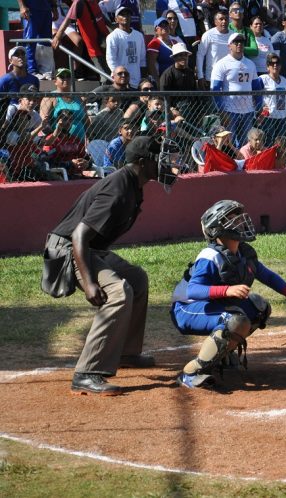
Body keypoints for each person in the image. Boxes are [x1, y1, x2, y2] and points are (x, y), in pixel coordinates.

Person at [42, 135, 181, 395]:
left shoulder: (134, 185)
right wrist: (91, 283)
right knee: (118, 292)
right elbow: (79, 236)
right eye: (158, 158)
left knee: (137, 279)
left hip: (90, 248)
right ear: (142, 162)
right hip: (69, 248)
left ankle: (127, 353)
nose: (165, 164)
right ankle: (87, 373)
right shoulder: (118, 187)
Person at [170, 199, 286, 388]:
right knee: (235, 320)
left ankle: (221, 354)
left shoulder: (242, 253)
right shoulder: (210, 256)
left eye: (239, 218)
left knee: (259, 307)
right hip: (186, 309)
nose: (239, 222)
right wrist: (227, 290)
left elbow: (268, 276)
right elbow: (193, 290)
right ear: (217, 227)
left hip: (206, 307)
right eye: (232, 219)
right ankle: (192, 372)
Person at [211, 32, 258, 148]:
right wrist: (222, 111)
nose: (239, 44)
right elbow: (215, 89)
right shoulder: (221, 64)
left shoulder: (250, 64)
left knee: (246, 144)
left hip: (248, 110)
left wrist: (258, 106)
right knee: (229, 143)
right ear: (229, 45)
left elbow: (256, 86)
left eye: (241, 42)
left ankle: (243, 165)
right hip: (230, 110)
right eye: (236, 42)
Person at [51, 0, 111, 81]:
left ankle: (75, 71)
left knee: (110, 76)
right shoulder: (78, 3)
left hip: (105, 46)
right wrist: (58, 36)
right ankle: (70, 72)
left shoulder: (93, 2)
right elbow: (68, 19)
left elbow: (103, 19)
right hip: (94, 50)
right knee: (106, 79)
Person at [39, 68, 90, 143]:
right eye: (62, 77)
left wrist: (88, 138)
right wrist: (50, 140)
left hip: (80, 144)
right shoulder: (50, 97)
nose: (66, 79)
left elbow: (86, 121)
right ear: (55, 81)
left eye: (68, 76)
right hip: (59, 144)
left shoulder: (80, 97)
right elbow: (43, 123)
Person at [251, 53, 286, 147]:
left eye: (277, 63)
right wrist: (259, 109)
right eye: (272, 63)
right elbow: (253, 95)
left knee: (280, 145)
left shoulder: (284, 80)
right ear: (268, 67)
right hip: (268, 118)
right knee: (267, 144)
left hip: (281, 117)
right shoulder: (263, 79)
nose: (275, 65)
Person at [105, 7, 147, 84]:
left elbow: (142, 59)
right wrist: (119, 77)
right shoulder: (113, 36)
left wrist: (143, 77)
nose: (125, 17)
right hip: (121, 82)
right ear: (116, 19)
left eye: (128, 14)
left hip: (137, 81)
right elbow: (111, 60)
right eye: (122, 15)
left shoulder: (139, 35)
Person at [17, 0, 54, 79]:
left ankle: (46, 71)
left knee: (46, 41)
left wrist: (54, 7)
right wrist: (22, 6)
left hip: (46, 9)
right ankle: (31, 70)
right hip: (31, 8)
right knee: (30, 40)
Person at [197, 11, 232, 90]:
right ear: (215, 22)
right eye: (221, 19)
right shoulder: (208, 35)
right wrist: (200, 76)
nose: (224, 21)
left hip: (230, 78)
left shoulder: (233, 35)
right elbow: (200, 55)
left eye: (226, 19)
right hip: (212, 77)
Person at [147, 16, 183, 82]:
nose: (165, 27)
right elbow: (151, 65)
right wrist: (158, 82)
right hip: (162, 79)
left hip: (175, 79)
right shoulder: (154, 43)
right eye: (162, 25)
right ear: (156, 30)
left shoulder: (175, 42)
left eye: (166, 24)